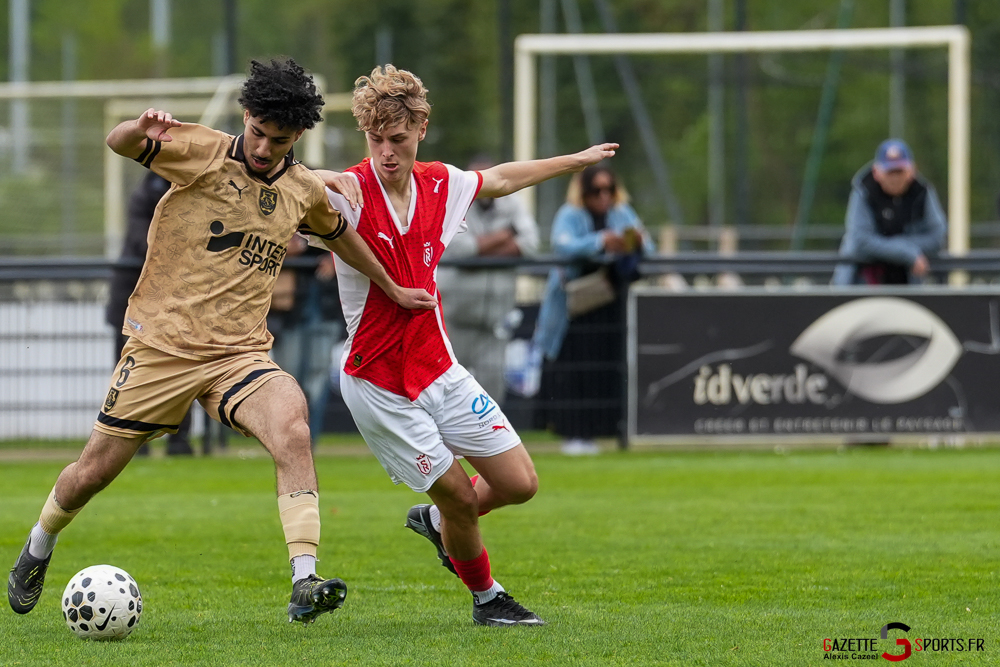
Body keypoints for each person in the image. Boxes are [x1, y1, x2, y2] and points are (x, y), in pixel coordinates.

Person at [7, 58, 435, 625]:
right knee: (93, 471)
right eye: (256, 131)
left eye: (277, 140)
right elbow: (117, 142)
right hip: (163, 348)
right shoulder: (201, 150)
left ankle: (305, 580)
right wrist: (141, 128)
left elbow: (344, 239)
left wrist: (394, 286)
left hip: (239, 356)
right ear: (245, 117)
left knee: (292, 423)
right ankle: (38, 545)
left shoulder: (302, 189)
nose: (262, 147)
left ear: (298, 136)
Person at [315, 64, 617, 626]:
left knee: (519, 483)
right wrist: (309, 180)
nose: (385, 151)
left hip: (438, 368)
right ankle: (487, 599)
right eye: (375, 139)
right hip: (379, 383)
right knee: (456, 493)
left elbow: (500, 178)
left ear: (421, 129)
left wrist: (576, 160)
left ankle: (438, 526)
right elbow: (296, 186)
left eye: (398, 139)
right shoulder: (349, 191)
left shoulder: (440, 183)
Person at [532, 165, 654, 455]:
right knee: (574, 370)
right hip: (574, 309)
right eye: (595, 190)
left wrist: (629, 243)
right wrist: (600, 242)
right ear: (583, 192)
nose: (603, 197)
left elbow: (647, 244)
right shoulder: (569, 214)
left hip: (608, 306)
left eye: (608, 190)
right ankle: (573, 433)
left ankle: (603, 431)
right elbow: (563, 246)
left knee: (604, 367)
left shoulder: (621, 213)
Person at [437, 155, 539, 402]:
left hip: (496, 318)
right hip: (455, 316)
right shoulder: (453, 202)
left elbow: (530, 244)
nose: (481, 185)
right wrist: (505, 236)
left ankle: (486, 441)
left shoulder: (512, 204)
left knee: (491, 397)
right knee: (445, 390)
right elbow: (459, 250)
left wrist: (482, 252)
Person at [107, 171, 194, 456]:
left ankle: (177, 441)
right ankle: (131, 438)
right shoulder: (155, 187)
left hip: (172, 298)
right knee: (131, 371)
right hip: (135, 300)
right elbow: (145, 242)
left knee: (183, 369)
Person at [832, 139, 946, 286]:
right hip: (861, 283)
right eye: (890, 171)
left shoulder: (922, 192)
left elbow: (937, 237)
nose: (895, 178)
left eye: (899, 171)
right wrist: (908, 253)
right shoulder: (864, 190)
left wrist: (890, 247)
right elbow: (861, 240)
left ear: (912, 171)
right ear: (876, 172)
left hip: (908, 282)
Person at [268, 237, 345, 441]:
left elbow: (355, 241)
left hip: (325, 305)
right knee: (287, 375)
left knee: (317, 376)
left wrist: (336, 256)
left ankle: (308, 440)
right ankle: (285, 439)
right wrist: (288, 246)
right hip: (291, 308)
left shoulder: (341, 209)